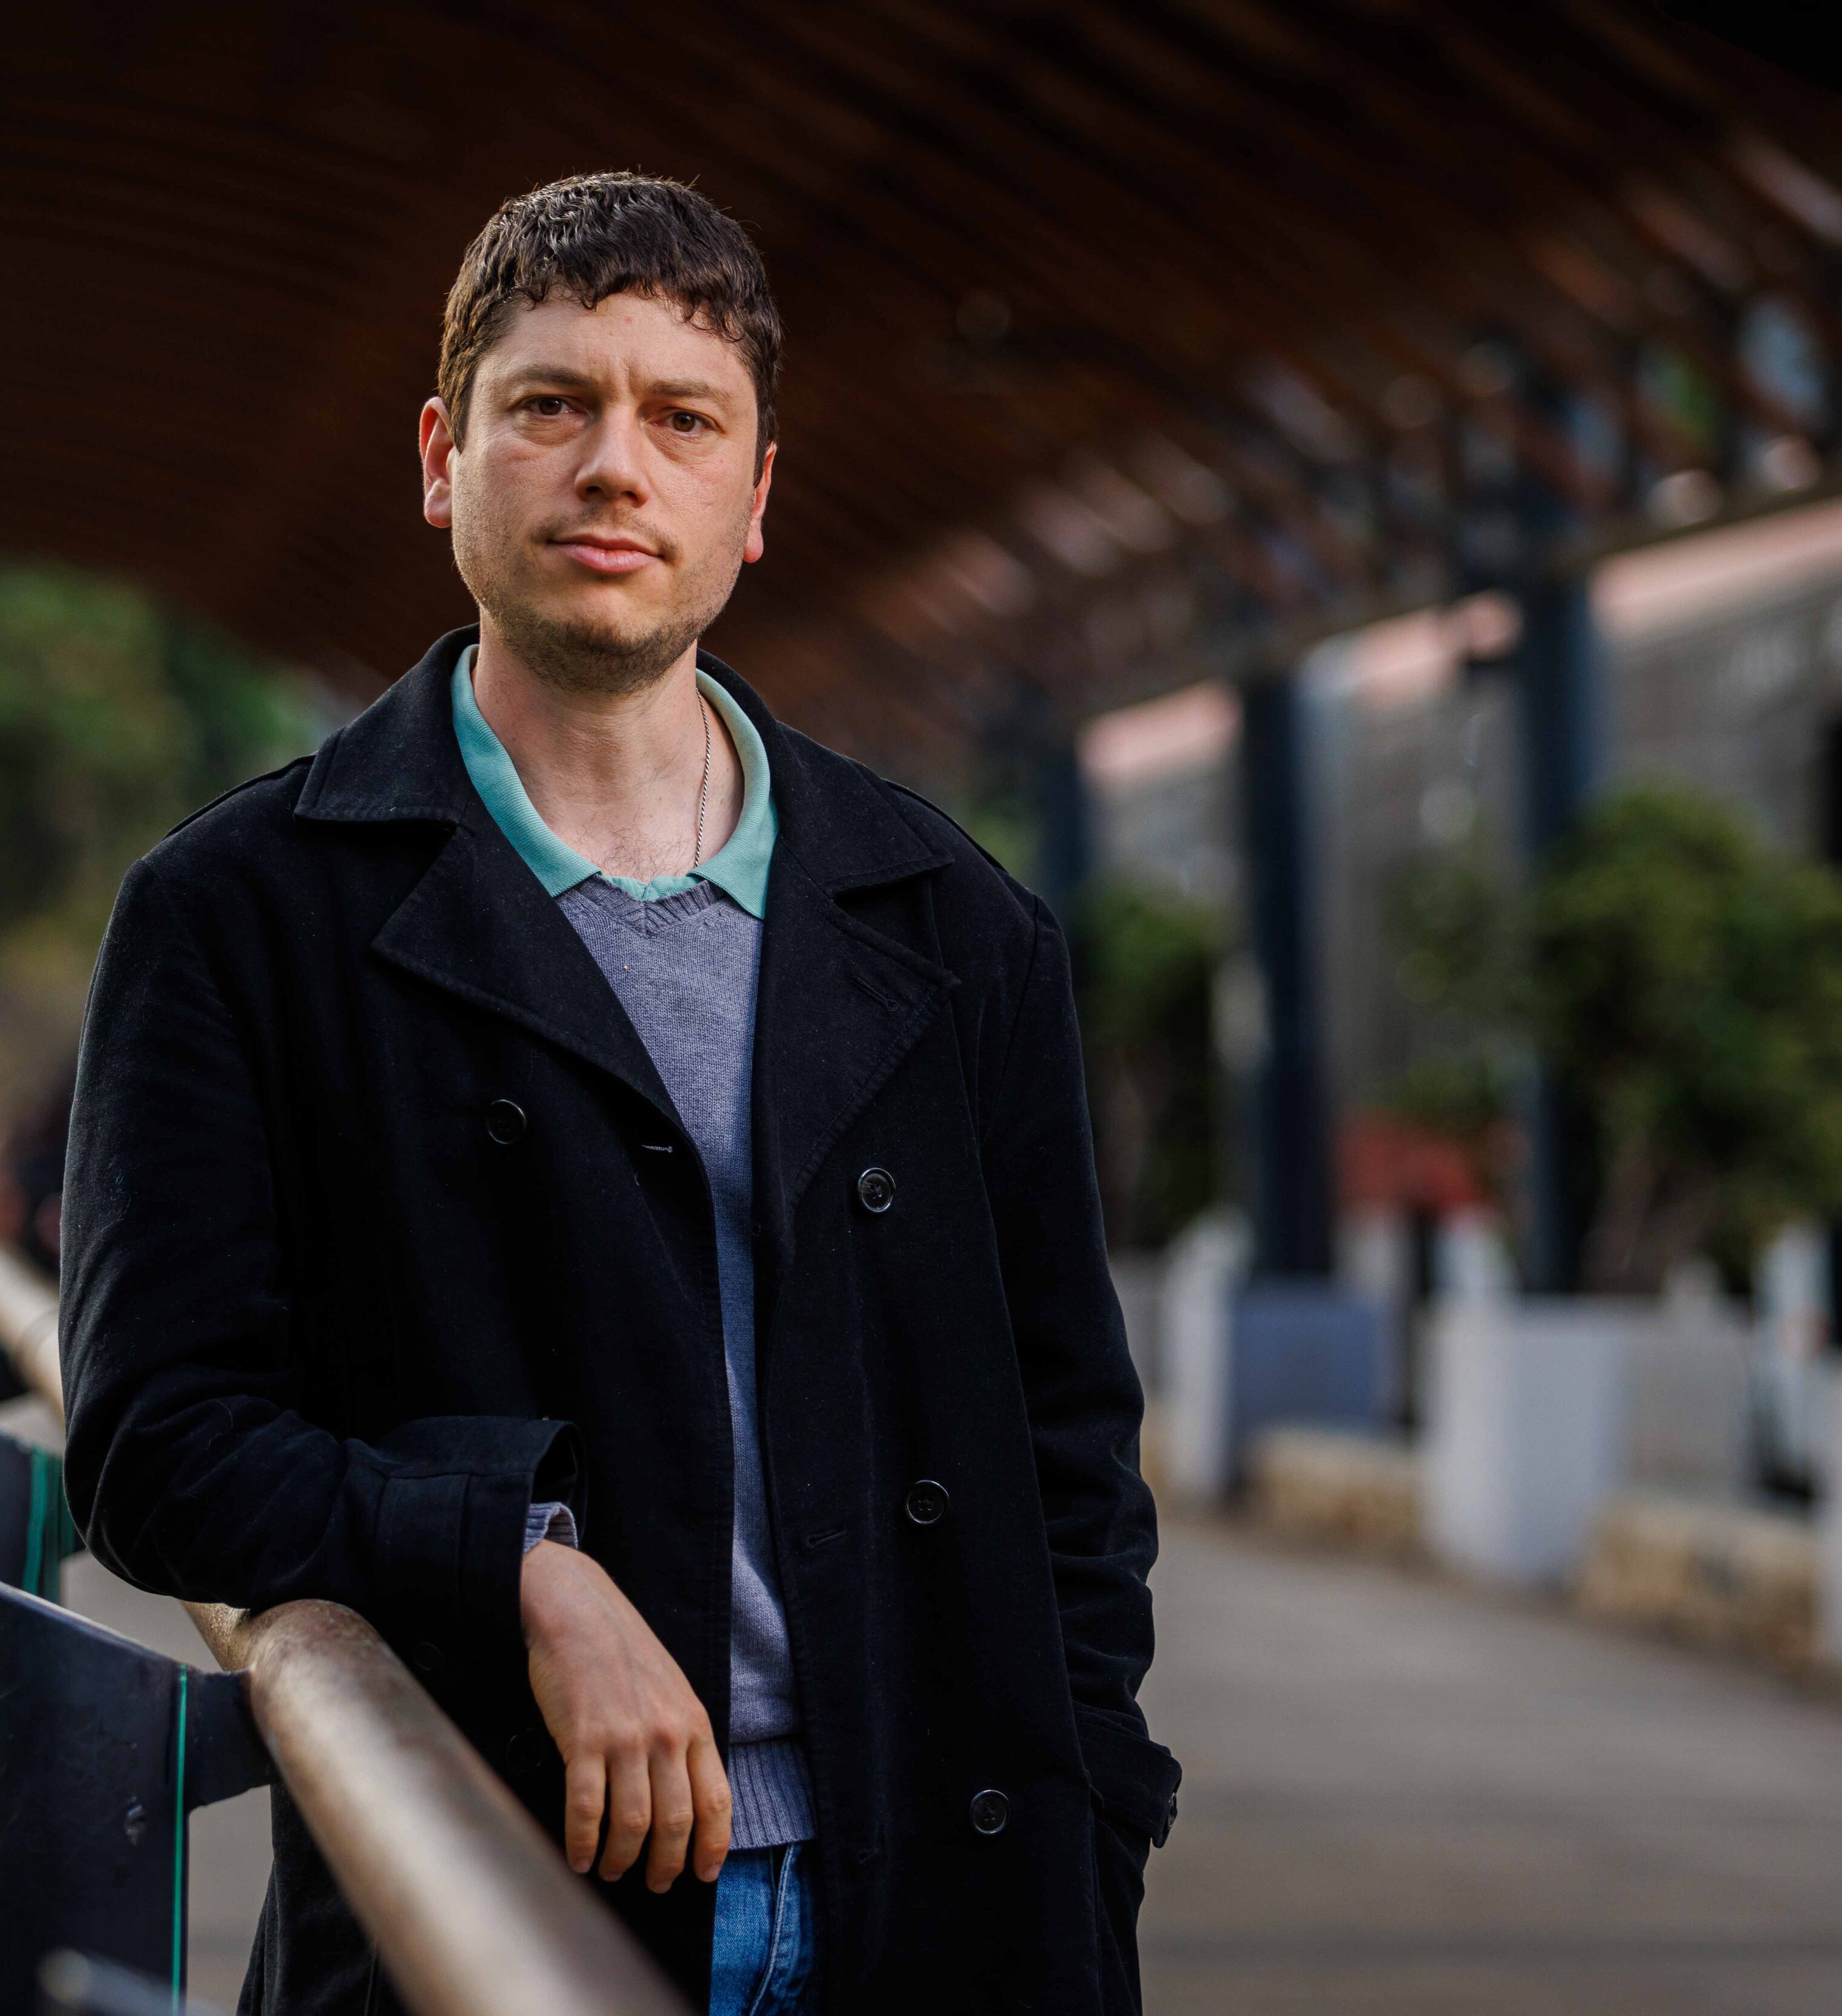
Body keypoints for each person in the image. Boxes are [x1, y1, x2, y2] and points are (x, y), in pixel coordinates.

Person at [60, 172, 1176, 2016]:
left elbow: (1071, 1448)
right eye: (552, 404)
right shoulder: (242, 914)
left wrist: (1104, 1820)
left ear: (754, 499)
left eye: (682, 418)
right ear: (446, 457)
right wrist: (518, 1561)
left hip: (950, 1911)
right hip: (501, 1896)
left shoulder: (949, 920)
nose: (612, 466)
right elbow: (153, 1441)